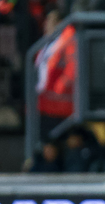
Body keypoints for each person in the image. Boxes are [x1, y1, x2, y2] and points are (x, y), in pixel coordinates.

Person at [35, 9, 77, 141]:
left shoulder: (68, 39)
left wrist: (60, 88)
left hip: (60, 105)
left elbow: (73, 67)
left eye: (50, 21)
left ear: (60, 23)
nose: (46, 24)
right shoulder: (49, 41)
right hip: (46, 102)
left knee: (55, 143)